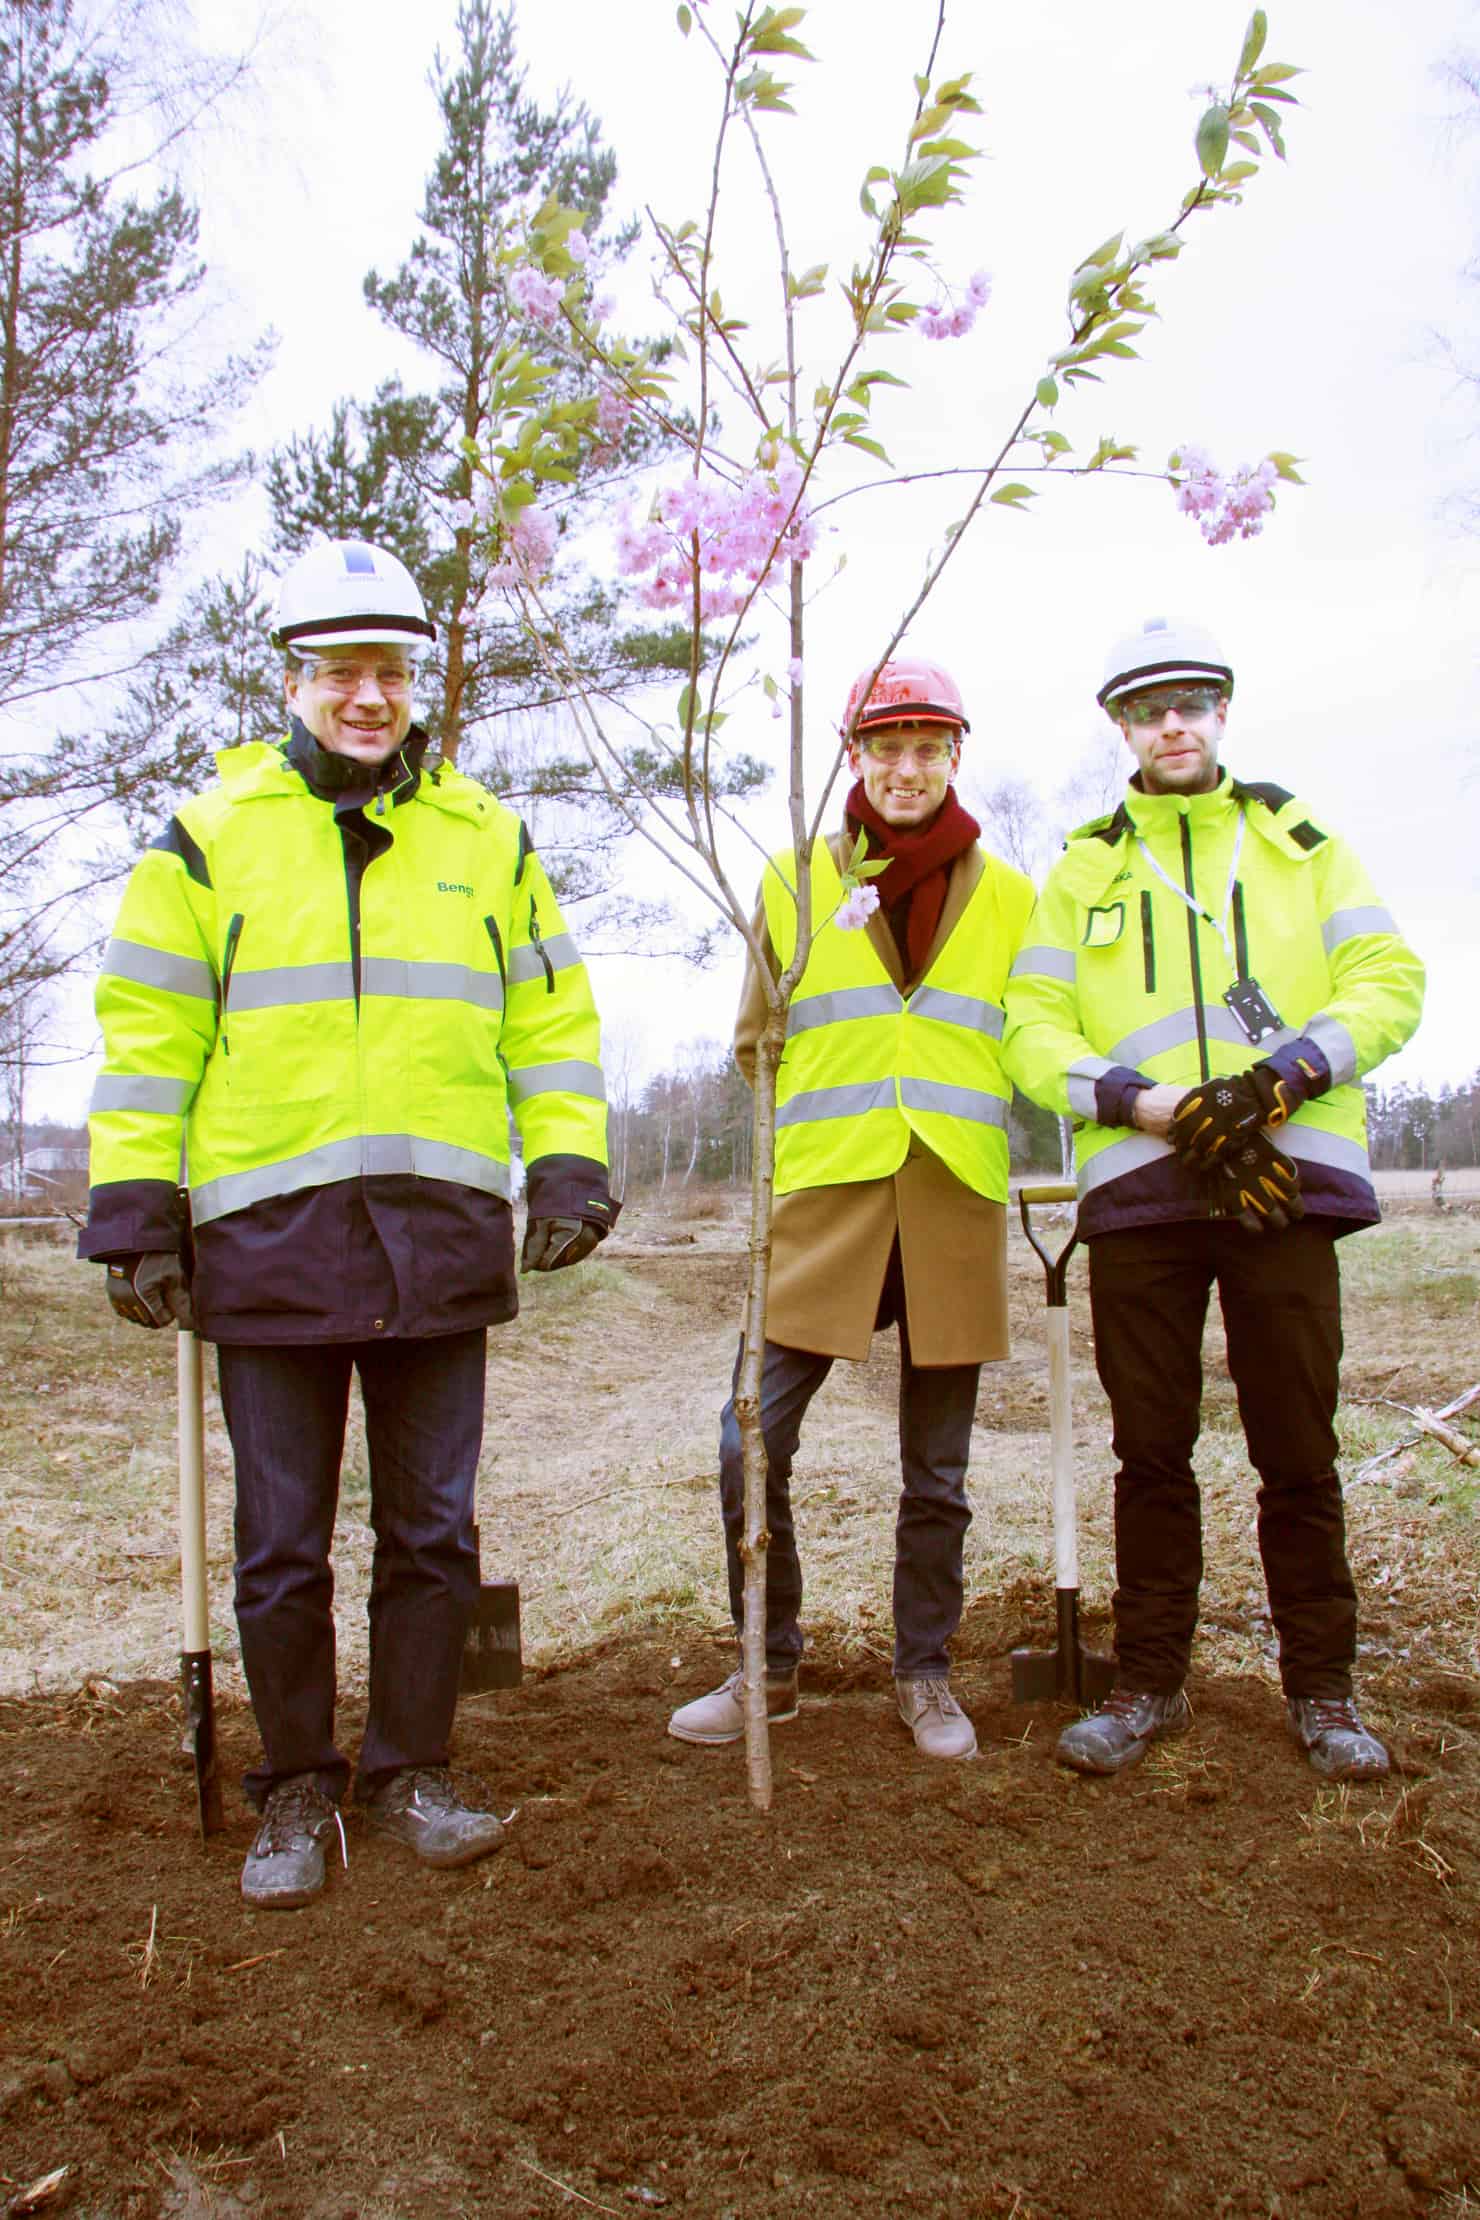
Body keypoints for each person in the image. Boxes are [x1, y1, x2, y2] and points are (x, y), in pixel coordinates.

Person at [80, 538, 616, 1907]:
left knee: (435, 1530)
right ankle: (296, 1789)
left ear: (413, 679)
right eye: (339, 670)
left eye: (388, 669)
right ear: (292, 679)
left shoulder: (487, 836)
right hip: (267, 1244)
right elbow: (150, 1032)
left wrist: (566, 1164)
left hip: (438, 1234)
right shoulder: (210, 837)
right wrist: (137, 1206)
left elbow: (550, 1017)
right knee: (281, 1540)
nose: (366, 695)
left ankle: (413, 1771)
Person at [1002, 615, 1424, 1780]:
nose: (1170, 723)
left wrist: (1280, 1078)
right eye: (1145, 708)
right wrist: (1136, 1101)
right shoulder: (1082, 867)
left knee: (1297, 1448)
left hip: (1281, 1186)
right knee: (1152, 1453)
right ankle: (1148, 1688)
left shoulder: (1301, 845)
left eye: (1189, 701)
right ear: (1118, 728)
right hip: (1143, 1194)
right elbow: (1028, 1032)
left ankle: (1325, 1695)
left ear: (1222, 712)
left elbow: (1388, 981)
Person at [668, 656, 1034, 1761]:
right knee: (750, 1442)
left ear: (956, 755)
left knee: (939, 1472)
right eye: (886, 746)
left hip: (950, 1199)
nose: (908, 766)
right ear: (853, 758)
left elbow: (1034, 1033)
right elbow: (756, 1044)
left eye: (929, 746)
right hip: (823, 1206)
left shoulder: (1014, 895)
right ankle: (765, 1667)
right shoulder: (792, 881)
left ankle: (923, 1673)